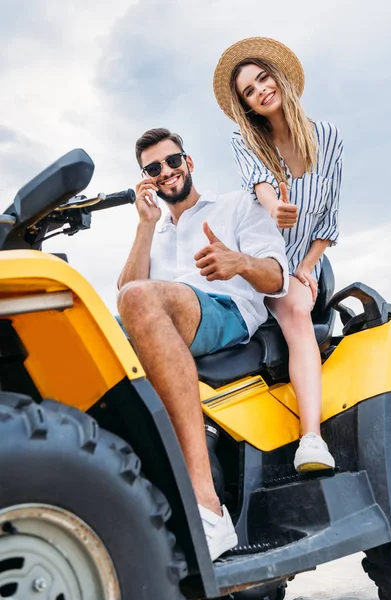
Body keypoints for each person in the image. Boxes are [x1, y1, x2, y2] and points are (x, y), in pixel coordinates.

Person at [117, 127, 289, 561]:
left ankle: (207, 506)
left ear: (188, 162)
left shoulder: (236, 204)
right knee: (91, 328)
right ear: (147, 180)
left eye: (173, 161)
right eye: (153, 169)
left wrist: (238, 261)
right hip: (166, 313)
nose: (166, 172)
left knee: (140, 298)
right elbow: (126, 291)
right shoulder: (153, 234)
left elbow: (276, 276)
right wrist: (145, 225)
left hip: (224, 310)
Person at [213, 37, 343, 472]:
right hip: (262, 257)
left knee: (294, 307)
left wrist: (306, 268)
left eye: (262, 79)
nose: (260, 91)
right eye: (248, 91)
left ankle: (312, 439)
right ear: (247, 106)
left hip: (305, 262)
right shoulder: (244, 139)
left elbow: (329, 220)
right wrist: (276, 209)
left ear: (279, 78)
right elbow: (260, 183)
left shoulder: (327, 137)